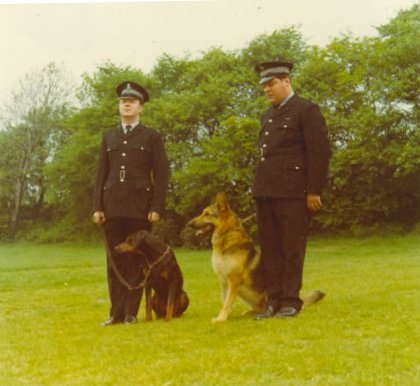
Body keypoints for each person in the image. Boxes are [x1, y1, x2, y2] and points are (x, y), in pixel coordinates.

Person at [252, 59, 331, 319]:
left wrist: (314, 190)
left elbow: (319, 153)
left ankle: (290, 300)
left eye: (271, 83)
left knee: (291, 248)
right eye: (264, 85)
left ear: (287, 81)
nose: (267, 89)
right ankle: (272, 300)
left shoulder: (306, 110)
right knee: (270, 250)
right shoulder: (268, 115)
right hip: (266, 193)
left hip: (293, 193)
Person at [92, 81, 169, 326]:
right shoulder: (109, 137)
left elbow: (162, 173)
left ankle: (131, 313)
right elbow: (101, 174)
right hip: (112, 206)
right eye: (123, 101)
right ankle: (115, 313)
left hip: (139, 208)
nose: (126, 104)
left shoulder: (151, 136)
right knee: (114, 261)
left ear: (140, 107)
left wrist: (156, 207)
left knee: (136, 259)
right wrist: (97, 207)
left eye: (132, 101)